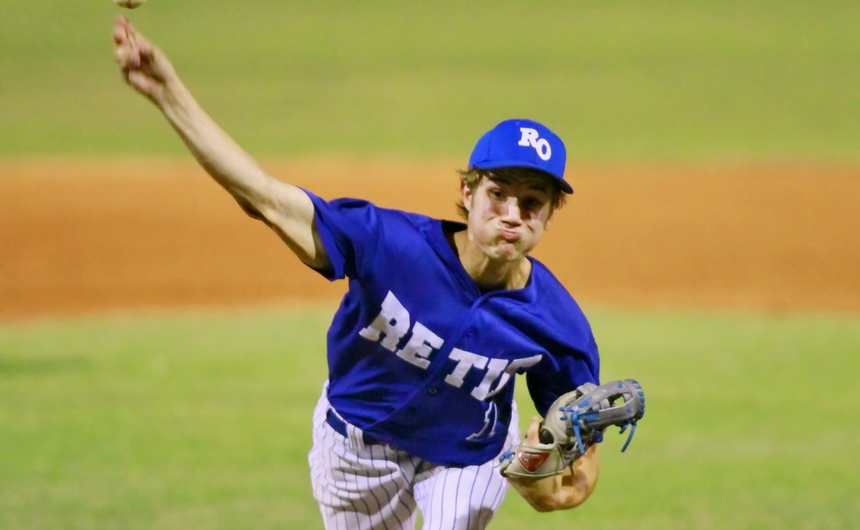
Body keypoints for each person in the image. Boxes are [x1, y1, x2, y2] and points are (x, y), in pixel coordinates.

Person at [112, 14, 602, 529]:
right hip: (357, 449)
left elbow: (577, 471)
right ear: (467, 193)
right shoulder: (387, 244)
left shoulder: (558, 324)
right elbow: (264, 197)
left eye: (531, 202)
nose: (511, 214)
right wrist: (169, 95)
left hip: (469, 455)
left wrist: (550, 485)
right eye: (497, 194)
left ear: (549, 214)